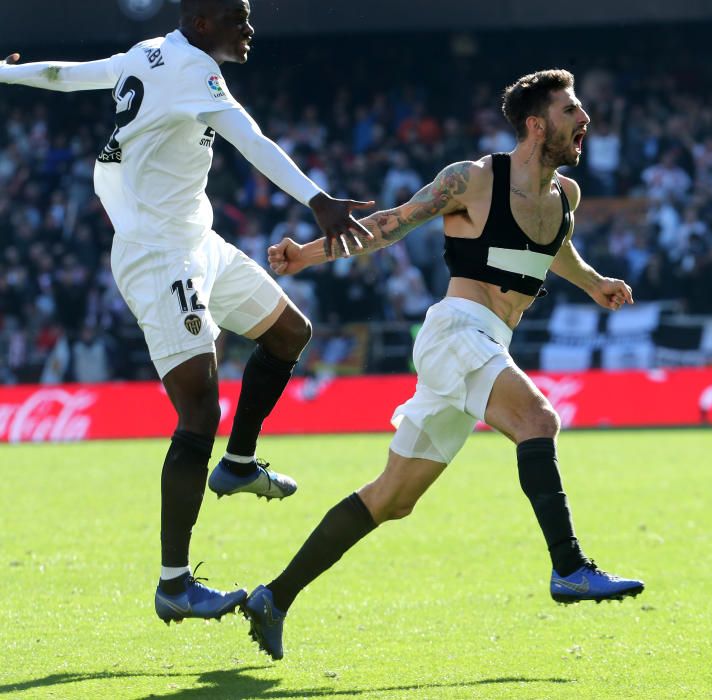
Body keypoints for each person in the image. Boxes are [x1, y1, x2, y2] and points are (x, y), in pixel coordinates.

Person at [249, 69, 645, 660]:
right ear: (537, 124)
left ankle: (271, 598)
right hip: (456, 331)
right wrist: (304, 255)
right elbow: (389, 226)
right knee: (538, 421)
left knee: (391, 499)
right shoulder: (473, 179)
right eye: (571, 111)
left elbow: (553, 247)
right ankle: (569, 568)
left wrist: (593, 285)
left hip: (486, 346)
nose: (583, 119)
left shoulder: (565, 195)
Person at [0, 0, 372, 625]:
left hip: (199, 241)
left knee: (289, 331)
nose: (248, 29)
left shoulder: (145, 55)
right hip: (156, 254)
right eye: (237, 18)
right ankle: (174, 584)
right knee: (198, 409)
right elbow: (251, 140)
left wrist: (5, 74)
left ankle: (239, 462)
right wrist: (318, 200)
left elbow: (68, 75)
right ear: (202, 24)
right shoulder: (193, 71)